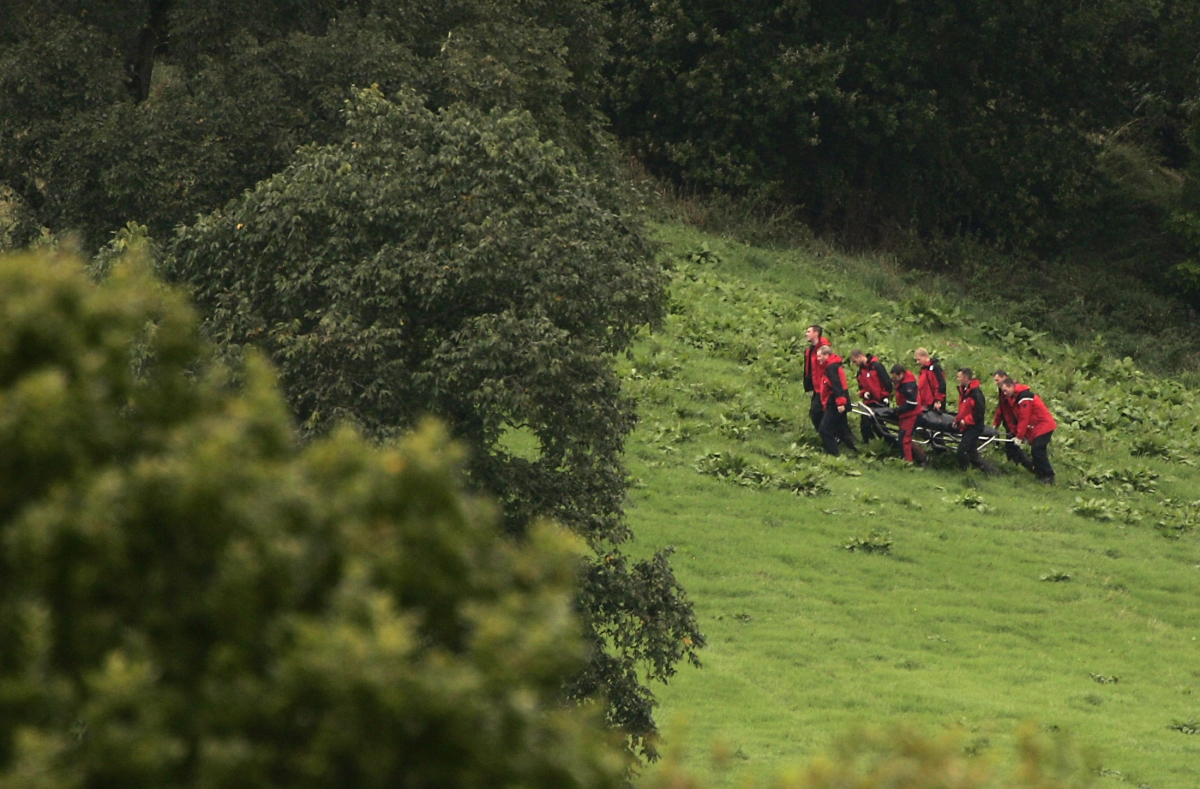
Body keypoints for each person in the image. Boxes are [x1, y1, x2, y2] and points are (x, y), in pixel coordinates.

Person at [1000, 377, 1057, 484]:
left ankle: (1048, 475)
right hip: (1037, 427)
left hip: (1044, 425)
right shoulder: (1015, 397)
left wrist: (1019, 436)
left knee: (1037, 450)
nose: (1005, 393)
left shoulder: (1024, 397)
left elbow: (1024, 418)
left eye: (1006, 390)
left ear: (1011, 386)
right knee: (1037, 451)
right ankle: (1041, 474)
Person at [953, 368, 999, 475]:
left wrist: (966, 421)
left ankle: (965, 473)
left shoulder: (976, 393)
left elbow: (979, 413)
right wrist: (958, 420)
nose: (957, 379)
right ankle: (993, 473)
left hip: (974, 427)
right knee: (972, 453)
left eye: (959, 377)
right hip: (967, 426)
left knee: (962, 451)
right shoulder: (965, 391)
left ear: (966, 378)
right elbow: (963, 409)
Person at [816, 345, 858, 456]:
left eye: (820, 356)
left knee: (824, 429)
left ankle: (834, 454)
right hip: (837, 401)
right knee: (843, 429)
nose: (818, 359)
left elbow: (837, 385)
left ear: (826, 355)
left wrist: (840, 403)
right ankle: (858, 450)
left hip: (835, 403)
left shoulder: (831, 368)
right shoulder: (833, 366)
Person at [991, 369, 1035, 472]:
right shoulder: (1004, 390)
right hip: (1010, 421)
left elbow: (1011, 409)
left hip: (1014, 421)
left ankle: (1031, 467)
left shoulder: (1013, 392)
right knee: (1010, 446)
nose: (996, 383)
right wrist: (996, 423)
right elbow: (1001, 408)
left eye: (997, 380)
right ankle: (1013, 465)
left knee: (1014, 446)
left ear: (1004, 377)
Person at [890, 363, 929, 466]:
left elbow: (912, 404)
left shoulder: (908, 385)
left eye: (895, 377)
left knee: (905, 439)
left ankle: (908, 462)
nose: (894, 379)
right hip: (906, 414)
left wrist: (899, 409)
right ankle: (922, 457)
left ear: (901, 374)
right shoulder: (903, 383)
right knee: (903, 438)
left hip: (912, 415)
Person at [850, 349, 893, 443]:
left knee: (879, 426)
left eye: (855, 361)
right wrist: (864, 393)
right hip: (869, 402)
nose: (855, 364)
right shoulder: (860, 373)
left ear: (860, 356)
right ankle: (869, 444)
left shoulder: (877, 367)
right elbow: (861, 387)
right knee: (865, 425)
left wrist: (885, 396)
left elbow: (887, 383)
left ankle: (890, 443)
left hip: (880, 401)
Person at [803, 325, 832, 432]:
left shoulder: (825, 350)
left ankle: (827, 434)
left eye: (808, 331)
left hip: (825, 387)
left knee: (817, 412)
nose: (806, 334)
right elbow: (808, 370)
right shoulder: (809, 351)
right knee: (816, 413)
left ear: (815, 333)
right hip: (816, 387)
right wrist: (808, 386)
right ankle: (826, 433)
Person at [914, 348, 947, 412]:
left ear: (925, 357)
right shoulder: (923, 370)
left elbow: (941, 385)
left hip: (934, 405)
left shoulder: (934, 368)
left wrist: (938, 401)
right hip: (925, 405)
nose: (917, 362)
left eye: (919, 359)